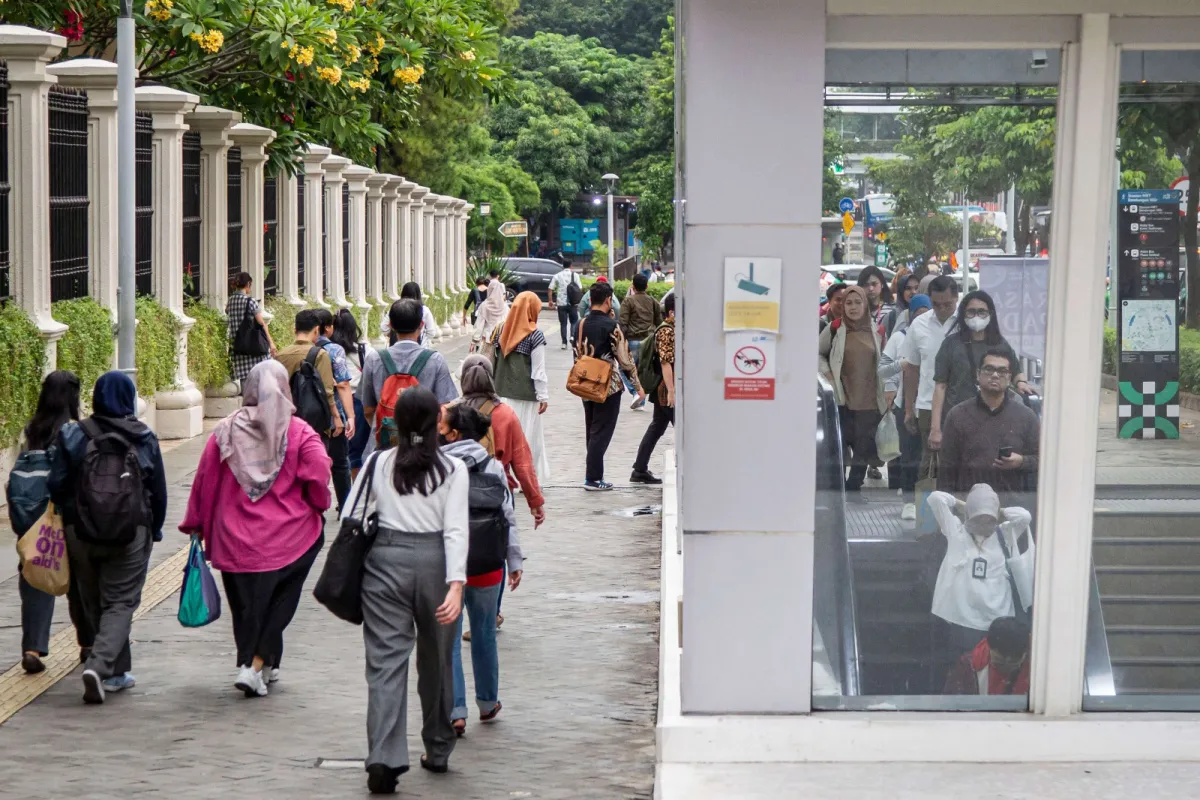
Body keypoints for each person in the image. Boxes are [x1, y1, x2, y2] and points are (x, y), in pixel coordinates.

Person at [179, 360, 332, 698]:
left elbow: (205, 481)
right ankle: (255, 663)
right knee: (279, 601)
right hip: (290, 539)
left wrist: (196, 525)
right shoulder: (299, 432)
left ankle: (259, 661)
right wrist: (319, 505)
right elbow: (319, 472)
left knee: (246, 606)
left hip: (233, 540)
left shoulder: (225, 431)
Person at [345, 387, 466, 794]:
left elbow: (351, 514)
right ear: (437, 425)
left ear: (395, 422)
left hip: (384, 564)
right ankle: (437, 746)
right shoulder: (453, 469)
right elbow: (455, 530)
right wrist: (456, 584)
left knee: (384, 665)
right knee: (437, 660)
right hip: (437, 564)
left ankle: (383, 755)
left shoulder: (378, 462)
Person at [49, 371, 168, 703]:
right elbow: (158, 491)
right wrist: (154, 528)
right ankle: (100, 667)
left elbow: (56, 483)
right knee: (121, 601)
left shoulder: (73, 434)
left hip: (81, 530)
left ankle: (115, 673)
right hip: (131, 529)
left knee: (94, 599)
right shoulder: (143, 436)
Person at [438, 403, 523, 736]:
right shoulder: (494, 466)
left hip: (448, 568)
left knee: (449, 639)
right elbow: (509, 517)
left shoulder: (440, 465)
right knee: (485, 634)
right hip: (489, 565)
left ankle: (455, 710)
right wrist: (514, 561)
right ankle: (487, 703)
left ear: (455, 433)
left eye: (443, 427)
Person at [6, 370, 89, 674]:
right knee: (78, 581)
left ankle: (32, 647)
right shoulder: (73, 430)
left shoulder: (32, 428)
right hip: (62, 516)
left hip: (30, 518)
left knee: (34, 576)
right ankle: (87, 644)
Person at [926, 484, 1033, 677]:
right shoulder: (957, 532)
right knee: (964, 670)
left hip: (997, 616)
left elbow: (1024, 516)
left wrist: (995, 510)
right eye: (978, 520)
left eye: (989, 521)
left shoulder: (1004, 533)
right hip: (963, 619)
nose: (984, 526)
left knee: (993, 670)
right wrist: (965, 505)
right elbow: (935, 498)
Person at [930, 291, 1030, 450]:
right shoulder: (950, 344)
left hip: (994, 421)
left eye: (982, 311)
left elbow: (1016, 371)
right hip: (958, 421)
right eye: (971, 311)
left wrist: (1021, 383)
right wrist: (935, 429)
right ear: (963, 314)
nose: (976, 316)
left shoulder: (1000, 344)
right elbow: (940, 387)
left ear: (990, 314)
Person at [361, 299, 459, 460]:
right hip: (422, 449)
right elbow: (445, 407)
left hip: (382, 451)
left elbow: (368, 409)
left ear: (391, 325)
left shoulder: (374, 359)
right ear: (421, 325)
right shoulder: (435, 360)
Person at [457, 355, 546, 528]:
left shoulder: (450, 412)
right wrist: (535, 501)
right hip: (498, 492)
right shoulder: (506, 414)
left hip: (458, 491)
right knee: (498, 547)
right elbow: (523, 464)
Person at [939, 348, 1041, 500]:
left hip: (1012, 508)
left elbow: (1042, 461)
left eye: (1002, 371)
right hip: (968, 507)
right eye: (989, 369)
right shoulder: (958, 415)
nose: (995, 375)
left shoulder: (1026, 417)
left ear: (1009, 378)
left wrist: (1021, 462)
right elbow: (946, 470)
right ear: (978, 375)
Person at [819, 285, 886, 496]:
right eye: (848, 303)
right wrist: (828, 374)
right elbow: (818, 354)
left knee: (864, 445)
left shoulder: (877, 330)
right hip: (843, 395)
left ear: (865, 305)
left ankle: (854, 485)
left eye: (858, 303)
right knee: (842, 441)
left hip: (870, 397)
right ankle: (838, 484)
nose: (853, 307)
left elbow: (886, 359)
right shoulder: (834, 328)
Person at [578, 281, 643, 491]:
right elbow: (625, 360)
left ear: (590, 300)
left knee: (592, 430)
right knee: (602, 432)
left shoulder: (579, 324)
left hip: (585, 385)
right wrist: (637, 387)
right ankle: (593, 479)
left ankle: (594, 475)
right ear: (608, 300)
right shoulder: (611, 327)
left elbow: (577, 354)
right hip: (608, 387)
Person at [878, 294, 932, 520]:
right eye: (917, 314)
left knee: (928, 457)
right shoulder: (900, 338)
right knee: (909, 454)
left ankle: (928, 502)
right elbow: (883, 370)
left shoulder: (938, 337)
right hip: (906, 403)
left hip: (931, 405)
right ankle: (909, 501)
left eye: (926, 313)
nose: (922, 318)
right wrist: (903, 364)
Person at [901, 275, 960, 481]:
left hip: (963, 401)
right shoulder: (919, 324)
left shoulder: (968, 323)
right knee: (930, 461)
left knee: (960, 460)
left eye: (947, 304)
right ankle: (927, 510)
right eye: (936, 304)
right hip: (926, 404)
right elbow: (911, 369)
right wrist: (909, 408)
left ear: (957, 298)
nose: (942, 309)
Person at [489, 291, 550, 482]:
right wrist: (543, 396)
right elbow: (538, 371)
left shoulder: (500, 330)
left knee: (502, 440)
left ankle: (502, 478)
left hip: (500, 396)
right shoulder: (535, 336)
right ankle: (526, 480)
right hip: (525, 397)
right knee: (527, 440)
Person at [275, 309, 344, 477]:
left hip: (287, 422)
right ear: (316, 331)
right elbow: (327, 392)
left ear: (294, 330)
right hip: (315, 423)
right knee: (315, 472)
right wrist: (336, 417)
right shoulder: (320, 355)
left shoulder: (280, 355)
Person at [631, 292, 676, 484]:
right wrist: (672, 392)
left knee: (656, 427)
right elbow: (665, 362)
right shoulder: (666, 331)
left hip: (664, 389)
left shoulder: (670, 329)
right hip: (666, 390)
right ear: (672, 312)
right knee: (684, 429)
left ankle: (640, 469)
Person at [315, 308, 356, 512]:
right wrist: (350, 416)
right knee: (339, 463)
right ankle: (345, 505)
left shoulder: (295, 350)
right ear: (329, 328)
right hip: (333, 417)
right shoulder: (334, 350)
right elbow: (344, 384)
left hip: (305, 418)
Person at [943, 616, 1031, 696]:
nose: (1006, 668)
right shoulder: (967, 666)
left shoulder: (1037, 668)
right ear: (988, 647)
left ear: (1025, 653)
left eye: (1013, 664)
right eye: (999, 663)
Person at [331, 308, 371, 477]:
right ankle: (353, 494)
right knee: (356, 452)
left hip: (333, 403)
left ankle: (343, 493)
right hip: (358, 403)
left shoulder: (328, 351)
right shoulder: (364, 350)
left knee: (338, 453)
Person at [226, 271, 277, 389]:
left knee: (244, 378)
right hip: (253, 346)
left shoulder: (231, 301)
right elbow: (261, 323)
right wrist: (271, 342)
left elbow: (227, 312)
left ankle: (247, 402)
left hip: (238, 345)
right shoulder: (251, 301)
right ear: (248, 284)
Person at [547, 257, 582, 349]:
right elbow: (580, 288)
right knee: (574, 321)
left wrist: (550, 301)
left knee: (563, 323)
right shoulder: (575, 275)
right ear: (571, 265)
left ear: (563, 265)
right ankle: (572, 336)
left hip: (561, 303)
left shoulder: (557, 275)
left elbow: (550, 288)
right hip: (573, 303)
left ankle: (564, 343)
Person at [856, 265, 894, 334]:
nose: (871, 288)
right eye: (866, 285)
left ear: (882, 284)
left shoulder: (892, 310)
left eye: (874, 284)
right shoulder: (856, 310)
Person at [473, 277, 508, 350]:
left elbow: (479, 324)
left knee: (487, 360)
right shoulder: (505, 307)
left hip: (487, 338)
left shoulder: (484, 305)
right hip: (502, 338)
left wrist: (475, 340)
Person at [400, 282, 440, 347]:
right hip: (420, 347)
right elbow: (431, 332)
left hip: (398, 348)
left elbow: (384, 328)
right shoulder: (424, 310)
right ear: (418, 294)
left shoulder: (396, 309)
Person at [885, 272, 920, 338]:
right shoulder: (891, 316)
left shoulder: (925, 313)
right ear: (901, 291)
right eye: (908, 288)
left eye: (916, 288)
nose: (913, 292)